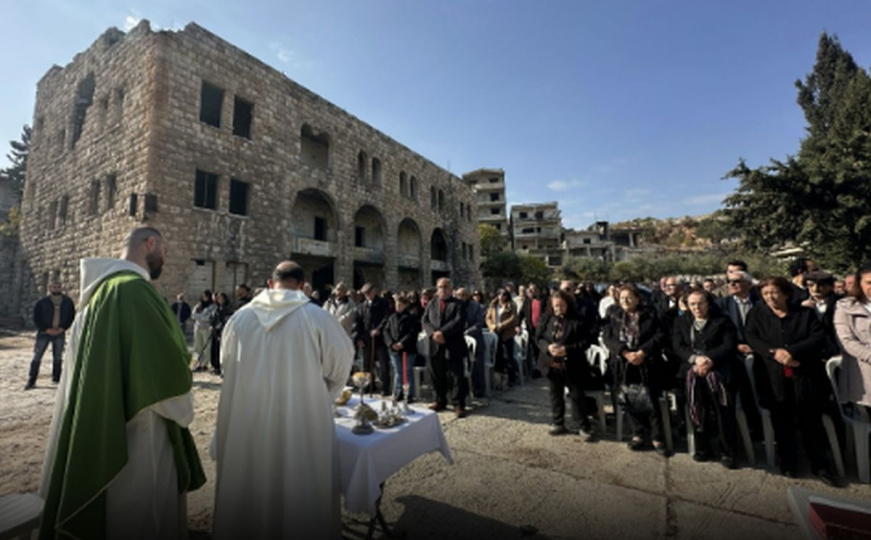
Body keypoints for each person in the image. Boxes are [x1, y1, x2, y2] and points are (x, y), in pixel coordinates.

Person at [38, 227, 205, 540]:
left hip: (102, 416)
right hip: (139, 427)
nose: (164, 260)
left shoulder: (99, 292)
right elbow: (164, 367)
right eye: (164, 252)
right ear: (150, 243)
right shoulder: (135, 291)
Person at [211, 261, 353, 540]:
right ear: (302, 285)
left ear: (269, 282)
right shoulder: (318, 318)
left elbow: (227, 367)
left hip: (248, 419)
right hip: (300, 420)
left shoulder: (239, 318)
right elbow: (340, 367)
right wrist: (317, 396)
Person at [745, 276, 845, 486]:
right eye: (765, 294)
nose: (770, 298)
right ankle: (788, 462)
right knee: (781, 419)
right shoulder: (757, 314)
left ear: (786, 293)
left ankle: (820, 465)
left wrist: (791, 352)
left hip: (804, 373)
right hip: (773, 375)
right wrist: (774, 353)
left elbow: (818, 338)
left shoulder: (805, 314)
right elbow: (752, 338)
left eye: (774, 292)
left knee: (811, 419)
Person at [673, 290, 739, 468]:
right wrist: (695, 360)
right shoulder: (682, 321)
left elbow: (728, 344)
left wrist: (709, 359)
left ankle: (728, 451)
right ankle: (703, 448)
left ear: (708, 303)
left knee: (723, 411)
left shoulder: (722, 321)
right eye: (692, 304)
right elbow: (678, 346)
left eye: (700, 303)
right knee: (696, 408)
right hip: (691, 371)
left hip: (718, 370)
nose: (697, 308)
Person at [602, 284, 668, 455]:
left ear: (638, 298)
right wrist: (624, 352)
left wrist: (642, 352)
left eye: (629, 297)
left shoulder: (650, 314)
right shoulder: (613, 315)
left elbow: (660, 335)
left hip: (647, 362)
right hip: (623, 364)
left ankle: (657, 437)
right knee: (630, 399)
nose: (625, 300)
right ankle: (638, 433)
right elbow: (607, 337)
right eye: (622, 297)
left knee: (651, 400)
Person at [537, 290, 599, 440]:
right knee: (555, 394)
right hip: (551, 363)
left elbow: (585, 342)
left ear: (568, 304)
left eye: (561, 305)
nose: (558, 309)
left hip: (573, 362)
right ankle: (558, 422)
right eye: (556, 306)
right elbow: (538, 338)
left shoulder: (577, 320)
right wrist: (548, 348)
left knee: (577, 395)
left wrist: (566, 350)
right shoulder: (546, 318)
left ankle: (583, 426)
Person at [422, 277, 468, 417]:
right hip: (435, 345)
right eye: (440, 287)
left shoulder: (458, 304)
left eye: (445, 287)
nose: (442, 289)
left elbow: (459, 321)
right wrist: (433, 334)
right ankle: (439, 400)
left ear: (451, 288)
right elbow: (425, 320)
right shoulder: (432, 303)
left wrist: (442, 333)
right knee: (436, 374)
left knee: (456, 376)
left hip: (453, 345)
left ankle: (458, 404)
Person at [833, 263, 871, 411]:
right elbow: (846, 341)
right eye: (869, 283)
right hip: (864, 372)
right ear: (859, 284)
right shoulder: (845, 307)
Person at [26, 281, 75, 389]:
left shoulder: (67, 302)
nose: (56, 289)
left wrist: (62, 328)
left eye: (58, 287)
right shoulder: (42, 302)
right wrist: (46, 329)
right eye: (54, 287)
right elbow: (36, 317)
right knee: (37, 356)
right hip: (44, 333)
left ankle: (56, 378)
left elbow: (71, 316)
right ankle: (31, 380)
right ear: (50, 288)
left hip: (59, 333)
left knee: (58, 356)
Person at [353, 283, 391, 395]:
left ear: (374, 291)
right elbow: (358, 323)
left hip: (380, 340)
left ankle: (385, 387)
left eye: (369, 292)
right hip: (366, 340)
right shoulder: (362, 306)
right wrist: (358, 338)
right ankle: (369, 385)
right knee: (367, 365)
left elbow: (387, 318)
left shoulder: (383, 303)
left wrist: (378, 329)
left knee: (384, 365)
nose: (367, 295)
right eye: (365, 293)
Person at [383, 294, 422, 402]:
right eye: (396, 304)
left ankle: (408, 393)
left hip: (407, 349)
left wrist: (402, 343)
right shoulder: (392, 317)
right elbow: (386, 331)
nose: (397, 306)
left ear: (405, 305)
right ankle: (399, 391)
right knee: (398, 371)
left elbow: (412, 333)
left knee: (407, 371)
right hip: (394, 350)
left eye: (400, 305)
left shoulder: (411, 318)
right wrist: (391, 343)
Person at [802, 270, 842, 358]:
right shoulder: (800, 303)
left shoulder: (841, 303)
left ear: (831, 286)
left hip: (838, 350)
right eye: (811, 285)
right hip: (812, 353)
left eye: (821, 285)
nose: (815, 289)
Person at [457, 287, 487, 397]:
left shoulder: (476, 306)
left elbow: (479, 323)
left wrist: (467, 332)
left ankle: (479, 390)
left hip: (475, 339)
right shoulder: (456, 306)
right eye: (458, 295)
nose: (460, 297)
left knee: (477, 367)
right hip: (460, 342)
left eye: (463, 295)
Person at [487, 290, 519, 388]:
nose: (501, 296)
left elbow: (513, 318)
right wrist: (492, 326)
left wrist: (502, 325)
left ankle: (511, 378)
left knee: (509, 356)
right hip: (495, 333)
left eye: (504, 294)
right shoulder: (493, 305)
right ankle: (499, 378)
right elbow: (488, 317)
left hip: (507, 333)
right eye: (499, 294)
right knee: (498, 355)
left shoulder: (511, 305)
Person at [191, 290, 215, 371]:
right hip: (198, 327)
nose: (204, 298)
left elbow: (208, 317)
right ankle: (199, 362)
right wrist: (200, 316)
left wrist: (199, 317)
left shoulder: (212, 306)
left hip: (206, 328)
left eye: (206, 296)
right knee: (198, 346)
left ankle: (206, 363)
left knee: (207, 346)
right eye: (203, 296)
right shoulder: (199, 306)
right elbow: (193, 315)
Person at [209, 292, 233, 376]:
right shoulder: (216, 309)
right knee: (214, 349)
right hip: (215, 332)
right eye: (218, 298)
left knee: (221, 349)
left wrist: (220, 328)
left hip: (222, 331)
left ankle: (220, 367)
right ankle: (215, 366)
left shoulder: (227, 309)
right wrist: (212, 325)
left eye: (221, 298)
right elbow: (212, 318)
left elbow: (226, 320)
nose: (220, 300)